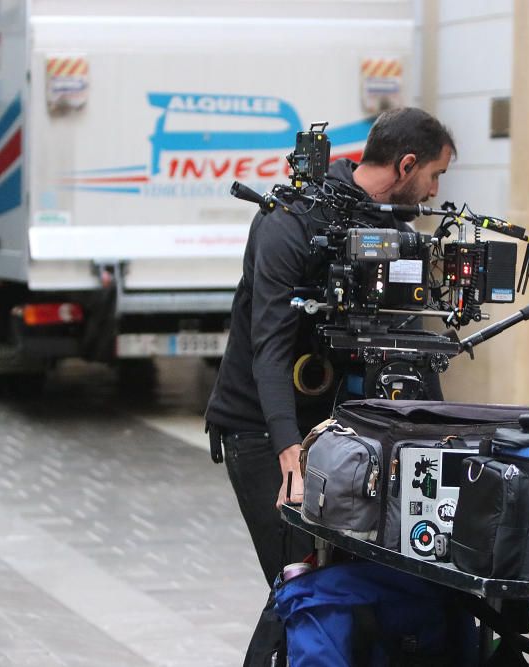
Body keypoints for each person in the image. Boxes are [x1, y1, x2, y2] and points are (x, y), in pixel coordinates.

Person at [205, 107, 455, 666]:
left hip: (337, 429)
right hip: (259, 427)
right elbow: (268, 345)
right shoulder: (288, 220)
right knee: (299, 580)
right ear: (406, 164)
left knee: (334, 585)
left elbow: (407, 343)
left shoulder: (393, 230)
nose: (437, 190)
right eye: (435, 175)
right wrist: (287, 449)